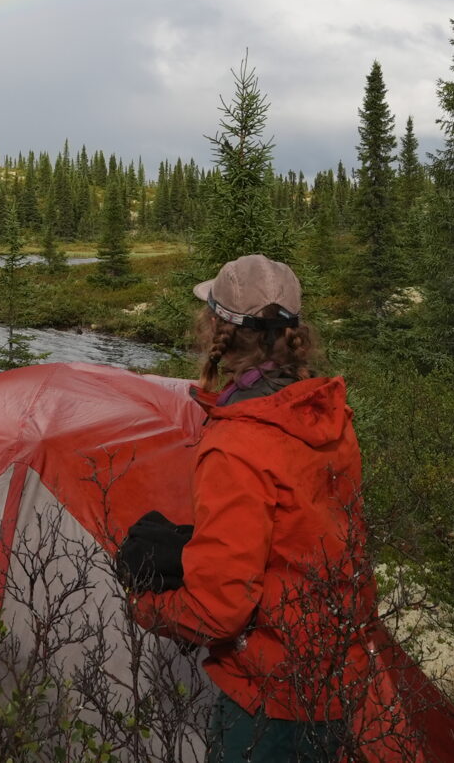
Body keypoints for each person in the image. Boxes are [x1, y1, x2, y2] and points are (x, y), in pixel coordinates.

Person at [127, 254, 372, 762]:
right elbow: (304, 532)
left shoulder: (237, 442)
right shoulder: (327, 415)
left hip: (269, 697)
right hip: (336, 677)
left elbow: (216, 614)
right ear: (294, 333)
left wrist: (143, 604)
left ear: (217, 327)